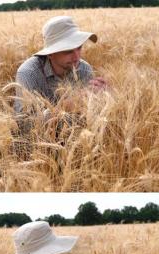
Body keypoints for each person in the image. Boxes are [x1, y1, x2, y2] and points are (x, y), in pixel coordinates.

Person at [13, 16, 108, 155]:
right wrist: (67, 105)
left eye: (79, 48)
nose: (77, 57)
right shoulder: (28, 73)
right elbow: (24, 126)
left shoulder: (84, 69)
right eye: (68, 51)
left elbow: (89, 120)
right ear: (50, 53)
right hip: (37, 152)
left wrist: (103, 100)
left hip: (75, 147)